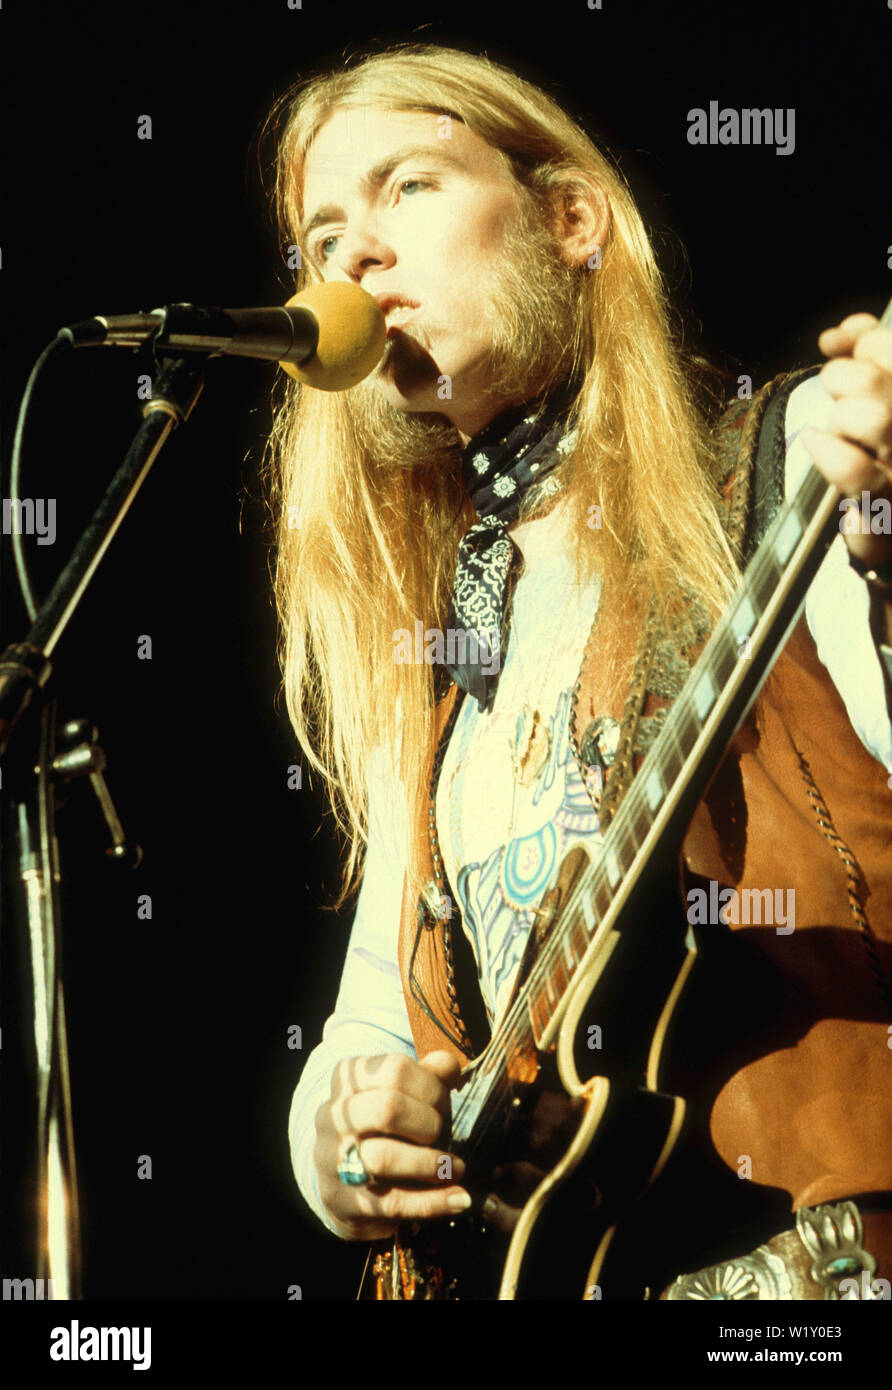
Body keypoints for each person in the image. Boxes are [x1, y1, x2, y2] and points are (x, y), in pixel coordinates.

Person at [262, 43, 892, 1299]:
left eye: (409, 187)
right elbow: (376, 1018)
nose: (355, 255)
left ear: (570, 220)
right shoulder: (438, 642)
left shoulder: (788, 472)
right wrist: (337, 1141)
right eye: (323, 234)